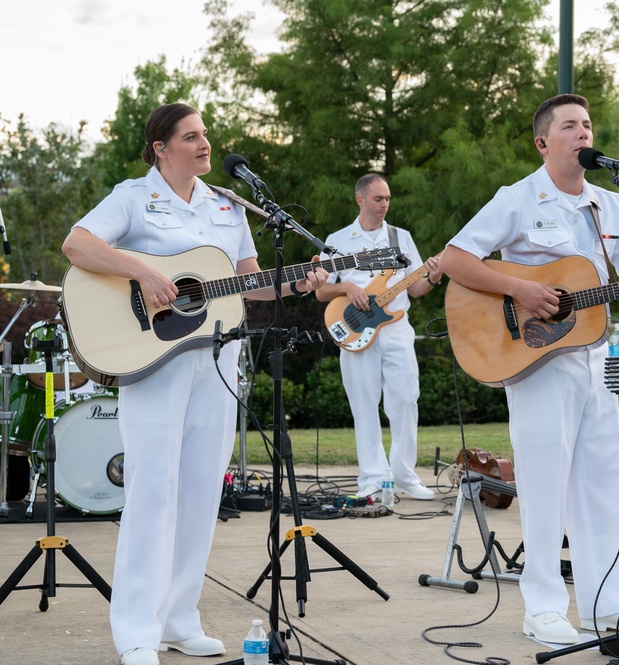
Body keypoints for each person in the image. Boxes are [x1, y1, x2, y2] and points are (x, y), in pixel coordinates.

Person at [61, 103, 328, 665]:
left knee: (203, 489)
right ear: (161, 148)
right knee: (153, 489)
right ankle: (136, 628)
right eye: (191, 136)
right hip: (154, 359)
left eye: (205, 134)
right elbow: (77, 245)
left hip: (218, 355)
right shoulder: (133, 195)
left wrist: (299, 280)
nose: (205, 144)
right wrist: (145, 271)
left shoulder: (228, 205)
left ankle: (180, 618)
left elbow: (245, 280)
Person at [439, 94, 619, 644]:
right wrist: (521, 287)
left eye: (587, 124)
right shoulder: (516, 199)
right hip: (538, 360)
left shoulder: (610, 205)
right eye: (570, 126)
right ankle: (541, 607)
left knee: (601, 482)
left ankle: (607, 603)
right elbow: (453, 259)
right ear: (544, 142)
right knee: (543, 482)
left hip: (598, 355)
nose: (583, 132)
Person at [314, 174, 441, 501]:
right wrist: (346, 286)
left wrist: (435, 277)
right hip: (355, 328)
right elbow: (321, 291)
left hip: (397, 327)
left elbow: (414, 286)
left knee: (405, 399)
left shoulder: (401, 237)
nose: (384, 205)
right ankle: (372, 478)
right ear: (360, 199)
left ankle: (403, 476)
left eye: (387, 199)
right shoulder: (338, 239)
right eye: (378, 199)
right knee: (364, 403)